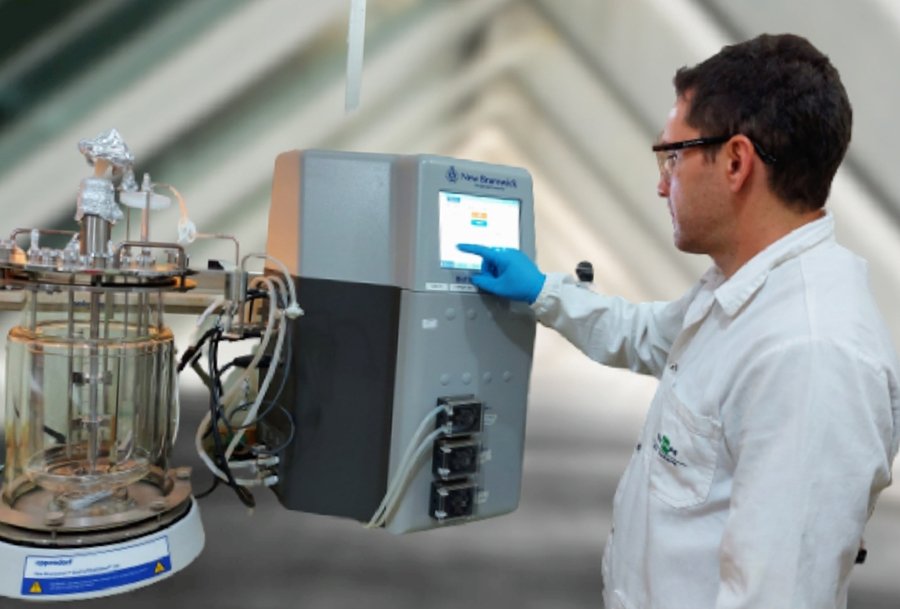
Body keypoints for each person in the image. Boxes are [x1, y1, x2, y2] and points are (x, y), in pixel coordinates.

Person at [459, 33, 900, 609]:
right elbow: (647, 336)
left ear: (736, 162)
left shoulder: (809, 353)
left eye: (673, 156)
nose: (662, 183)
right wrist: (543, 292)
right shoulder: (744, 292)